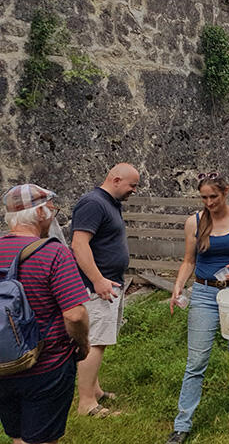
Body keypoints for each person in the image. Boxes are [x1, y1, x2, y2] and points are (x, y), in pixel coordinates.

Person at [165, 173, 229, 444]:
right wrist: (178, 287)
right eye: (204, 197)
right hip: (205, 293)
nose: (209, 202)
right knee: (196, 360)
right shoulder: (193, 222)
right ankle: (182, 424)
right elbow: (188, 260)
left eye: (213, 197)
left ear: (226, 192)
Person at [1, 184, 91, 442]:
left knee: (17, 437)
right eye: (52, 209)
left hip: (2, 364)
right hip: (45, 364)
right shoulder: (54, 253)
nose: (53, 215)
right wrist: (82, 344)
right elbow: (74, 314)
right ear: (40, 213)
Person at [71, 162, 140, 416]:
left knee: (101, 339)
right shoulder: (93, 203)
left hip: (109, 283)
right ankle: (86, 403)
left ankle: (95, 390)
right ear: (116, 179)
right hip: (95, 286)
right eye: (132, 185)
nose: (134, 190)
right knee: (95, 341)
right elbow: (79, 244)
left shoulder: (110, 204)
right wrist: (98, 280)